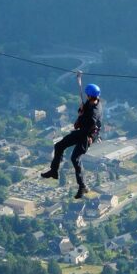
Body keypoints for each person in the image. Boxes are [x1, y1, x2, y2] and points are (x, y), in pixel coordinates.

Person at [41, 71, 102, 199]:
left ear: (90, 96)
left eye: (87, 95)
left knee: (75, 158)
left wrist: (80, 116)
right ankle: (54, 171)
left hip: (86, 135)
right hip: (82, 131)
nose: (85, 96)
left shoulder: (94, 112)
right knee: (59, 146)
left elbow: (89, 124)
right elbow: (84, 110)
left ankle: (83, 186)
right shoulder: (93, 101)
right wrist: (81, 111)